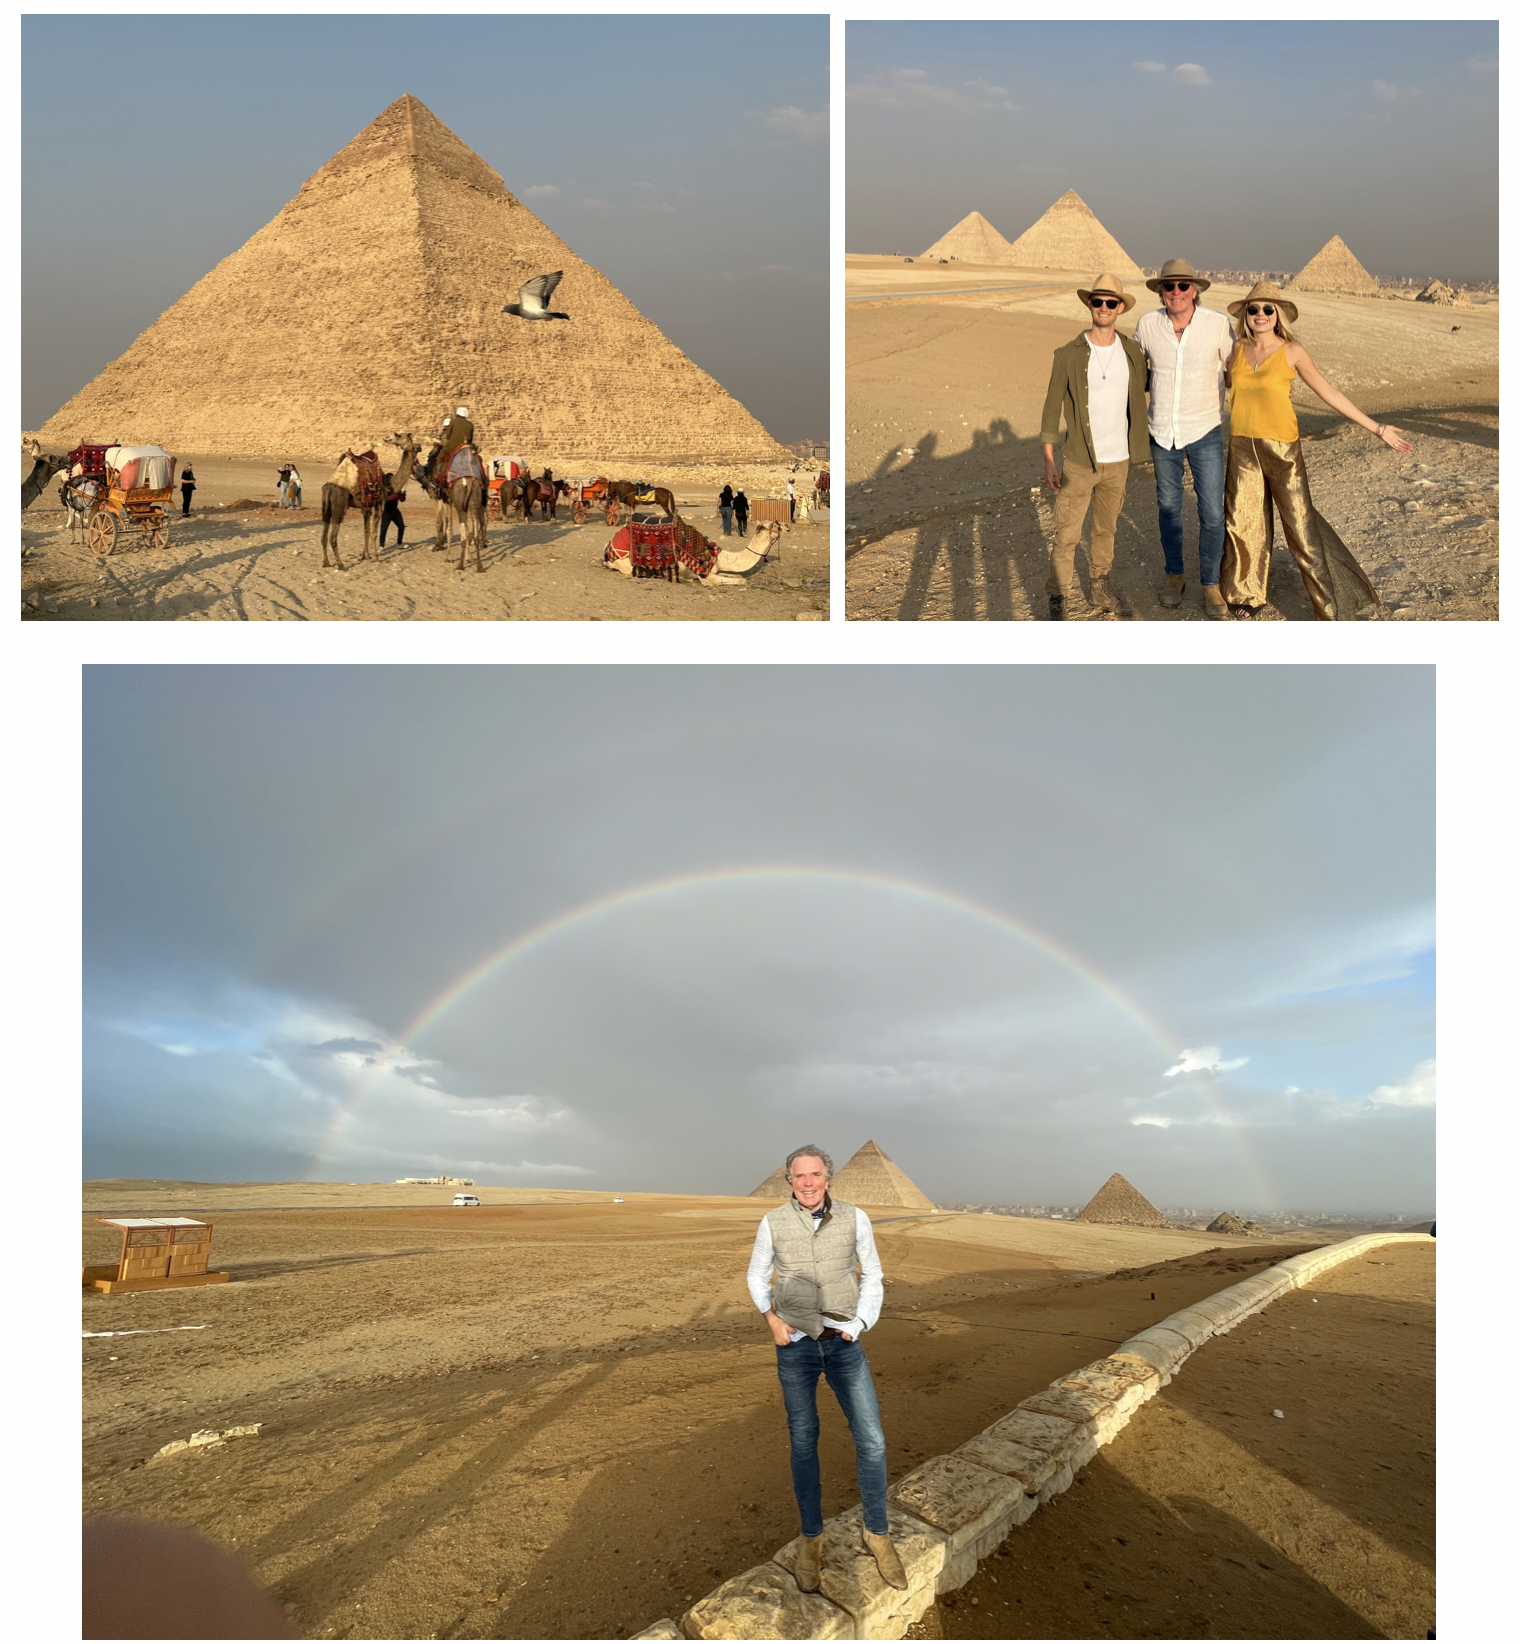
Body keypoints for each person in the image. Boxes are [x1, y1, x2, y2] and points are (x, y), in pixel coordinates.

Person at [747, 1146, 906, 1595]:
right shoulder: (772, 1222)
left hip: (843, 1343)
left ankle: (877, 1532)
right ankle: (811, 1539)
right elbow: (757, 1275)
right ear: (790, 1181)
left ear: (828, 1178)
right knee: (803, 1442)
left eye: (816, 1175)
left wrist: (860, 1323)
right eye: (800, 1177)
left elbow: (872, 1273)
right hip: (795, 1346)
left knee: (872, 1439)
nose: (809, 1183)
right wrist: (771, 1319)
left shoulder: (856, 1218)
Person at [1220, 282, 1410, 620]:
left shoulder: (1292, 351)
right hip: (1241, 447)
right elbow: (1230, 385)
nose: (1260, 315)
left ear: (1277, 315)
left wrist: (1378, 429)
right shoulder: (1237, 348)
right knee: (1242, 523)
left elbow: (1330, 393)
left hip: (1281, 449)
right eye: (1253, 309)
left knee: (1301, 529)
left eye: (1267, 309)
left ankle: (1328, 609)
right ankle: (1246, 595)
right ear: (1245, 316)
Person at [1038, 272, 1150, 620]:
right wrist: (1049, 459)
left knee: (1106, 530)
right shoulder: (1067, 354)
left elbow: (1152, 387)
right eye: (1098, 301)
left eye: (1111, 302)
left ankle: (1099, 588)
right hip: (1079, 460)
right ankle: (1058, 597)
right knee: (1067, 533)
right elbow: (1051, 406)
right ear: (1090, 305)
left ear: (1120, 308)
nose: (1104, 307)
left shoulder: (1132, 351)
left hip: (1118, 461)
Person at [1132, 258, 1236, 618]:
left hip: (1204, 428)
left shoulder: (1218, 325)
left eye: (1182, 285)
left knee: (1211, 512)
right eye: (1168, 286)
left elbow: (1238, 368)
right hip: (1162, 431)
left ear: (1195, 290)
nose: (1175, 292)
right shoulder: (1147, 324)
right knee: (1169, 508)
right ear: (1161, 290)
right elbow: (1132, 369)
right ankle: (1174, 574)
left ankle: (1210, 583)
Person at [379, 474, 407, 549]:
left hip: (395, 511)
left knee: (401, 526)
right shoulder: (384, 489)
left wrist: (403, 495)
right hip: (386, 512)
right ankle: (381, 545)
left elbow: (402, 500)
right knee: (383, 529)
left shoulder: (396, 489)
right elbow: (386, 498)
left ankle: (399, 543)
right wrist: (397, 495)